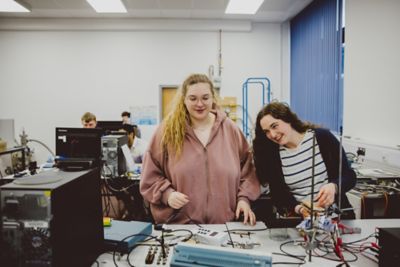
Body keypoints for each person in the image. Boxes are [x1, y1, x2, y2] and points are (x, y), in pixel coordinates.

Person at [140, 74, 260, 225]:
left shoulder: (230, 130)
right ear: (184, 99)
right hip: (180, 226)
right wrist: (167, 194)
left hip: (225, 226)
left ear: (213, 98)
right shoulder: (167, 131)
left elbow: (248, 171)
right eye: (192, 98)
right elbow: (150, 175)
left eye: (205, 98)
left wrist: (244, 199)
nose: (199, 104)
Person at [253, 101, 356, 218]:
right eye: (266, 131)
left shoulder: (323, 138)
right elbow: (279, 194)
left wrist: (334, 186)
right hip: (302, 221)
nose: (272, 134)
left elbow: (349, 176)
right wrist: (300, 209)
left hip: (337, 219)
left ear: (288, 119)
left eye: (274, 126)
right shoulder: (273, 155)